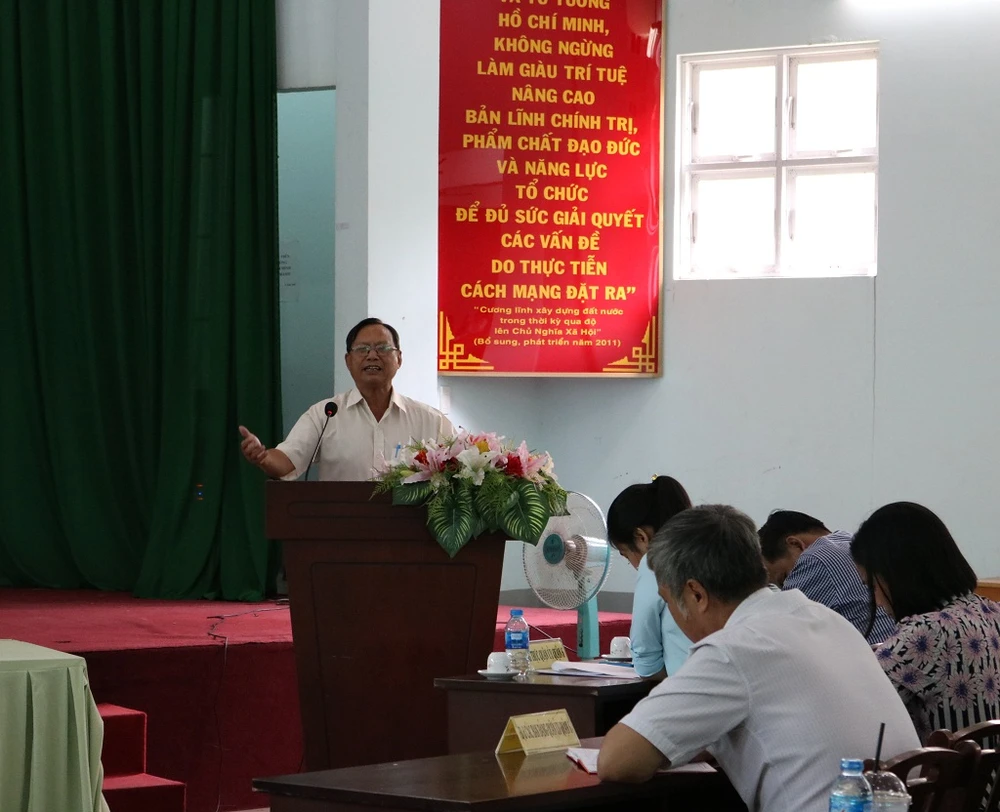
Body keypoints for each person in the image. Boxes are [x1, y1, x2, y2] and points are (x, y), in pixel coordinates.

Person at [597, 505, 920, 812]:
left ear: (696, 594)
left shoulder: (733, 649)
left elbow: (616, 761)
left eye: (668, 602)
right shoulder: (825, 618)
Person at [851, 501, 1000, 743]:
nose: (876, 600)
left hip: (949, 768)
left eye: (872, 585)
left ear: (898, 575)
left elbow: (854, 707)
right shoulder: (991, 610)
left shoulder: (925, 632)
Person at [239, 317, 454, 480]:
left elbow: (458, 470)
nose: (372, 355)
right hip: (340, 525)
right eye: (362, 349)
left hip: (406, 527)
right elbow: (287, 461)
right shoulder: (326, 414)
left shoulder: (430, 420)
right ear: (348, 361)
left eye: (382, 348)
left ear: (399, 359)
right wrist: (263, 457)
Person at [758, 510, 896, 644]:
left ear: (795, 544)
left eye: (784, 578)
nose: (787, 587)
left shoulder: (814, 559)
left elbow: (774, 636)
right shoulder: (852, 542)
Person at [606, 476, 693, 678]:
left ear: (641, 537)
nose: (633, 565)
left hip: (688, 685)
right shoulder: (711, 551)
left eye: (626, 555)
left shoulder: (654, 562)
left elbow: (645, 657)